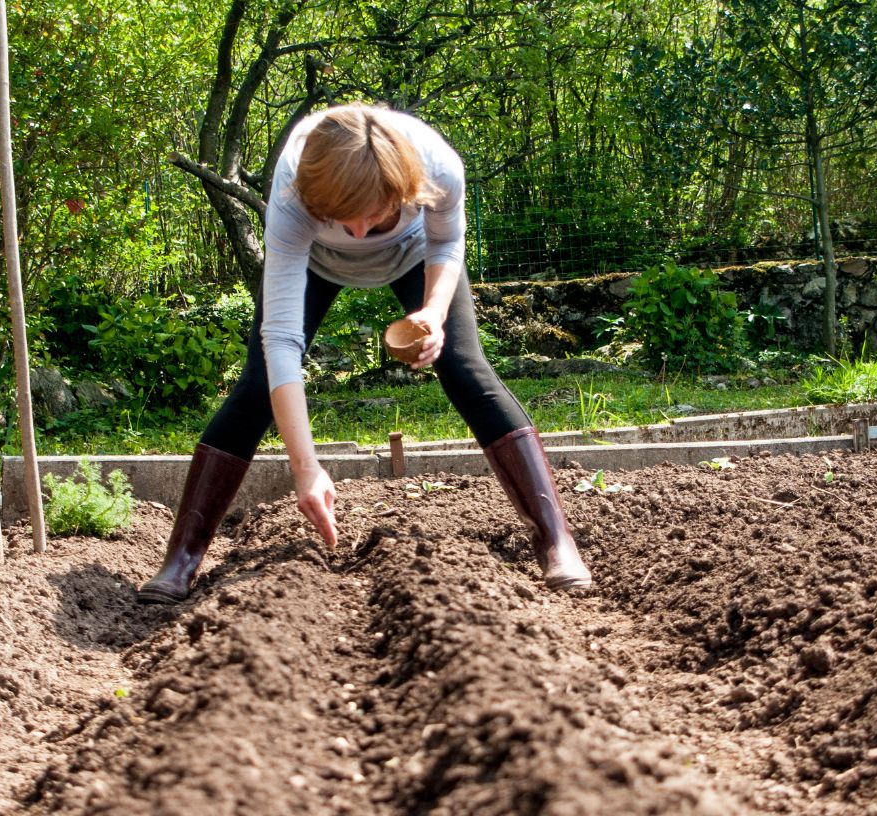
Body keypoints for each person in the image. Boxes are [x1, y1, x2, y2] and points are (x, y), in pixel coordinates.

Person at [138, 103, 592, 603]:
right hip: (316, 264)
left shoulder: (439, 168)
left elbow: (446, 244)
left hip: (416, 254)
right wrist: (306, 467)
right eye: (340, 218)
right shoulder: (293, 189)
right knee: (254, 389)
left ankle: (556, 541)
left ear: (401, 190)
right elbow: (282, 341)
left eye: (371, 216)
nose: (357, 233)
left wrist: (434, 313)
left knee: (465, 370)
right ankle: (181, 559)